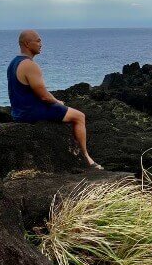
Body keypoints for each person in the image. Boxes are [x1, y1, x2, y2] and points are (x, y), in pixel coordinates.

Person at [8, 29, 101, 169]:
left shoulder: (13, 63)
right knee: (79, 116)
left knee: (64, 111)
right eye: (38, 40)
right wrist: (58, 102)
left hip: (18, 112)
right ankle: (87, 158)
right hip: (32, 113)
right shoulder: (30, 65)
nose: (41, 44)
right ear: (27, 43)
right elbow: (44, 96)